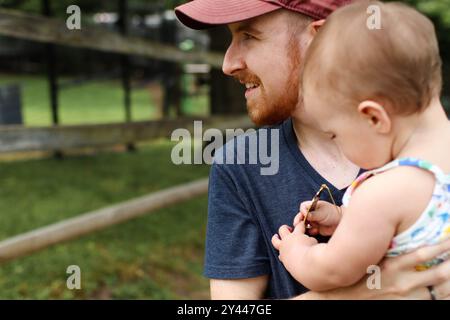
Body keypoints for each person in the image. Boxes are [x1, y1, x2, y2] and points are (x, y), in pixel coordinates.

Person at [174, 0, 450, 299]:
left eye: (248, 36)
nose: (228, 64)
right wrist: (355, 295)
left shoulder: (382, 183)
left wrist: (300, 253)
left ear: (318, 38)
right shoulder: (241, 165)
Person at [271, 0, 450, 292]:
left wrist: (297, 251)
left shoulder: (381, 194)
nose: (338, 143)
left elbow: (330, 272)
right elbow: (408, 224)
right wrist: (345, 218)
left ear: (373, 117)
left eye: (334, 134)